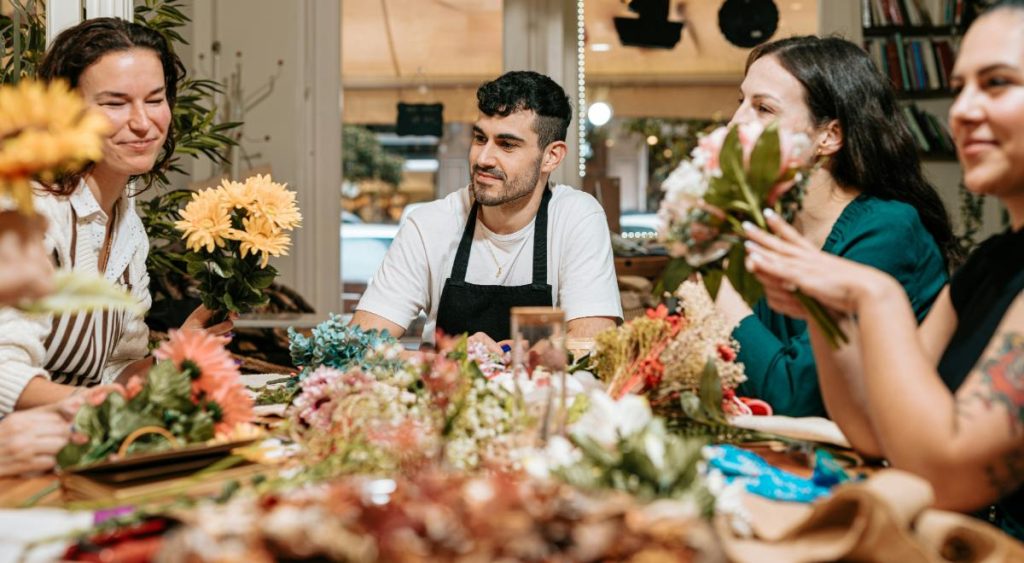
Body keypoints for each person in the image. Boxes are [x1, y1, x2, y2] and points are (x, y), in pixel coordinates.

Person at [742, 0, 1024, 539]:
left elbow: (954, 475)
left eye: (997, 83)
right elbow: (872, 428)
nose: (961, 110)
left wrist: (877, 297)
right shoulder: (991, 262)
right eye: (960, 86)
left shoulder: (889, 228)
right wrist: (828, 315)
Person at [714, 36, 958, 416]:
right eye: (740, 102)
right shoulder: (765, 224)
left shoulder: (889, 230)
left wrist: (712, 286)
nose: (735, 122)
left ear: (829, 136)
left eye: (763, 108)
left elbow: (796, 396)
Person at [0, 18, 230, 416]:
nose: (143, 123)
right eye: (114, 103)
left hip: (74, 440)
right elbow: (4, 373)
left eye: (155, 100)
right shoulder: (29, 213)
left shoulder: (127, 227)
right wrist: (107, 408)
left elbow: (111, 370)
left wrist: (172, 356)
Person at [352, 71, 622, 350]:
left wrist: (515, 357)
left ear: (551, 157)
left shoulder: (576, 217)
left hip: (539, 393)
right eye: (480, 138)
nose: (482, 158)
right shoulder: (428, 225)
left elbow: (593, 344)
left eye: (507, 145)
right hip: (445, 391)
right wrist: (453, 361)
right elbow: (356, 348)